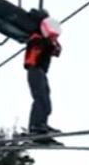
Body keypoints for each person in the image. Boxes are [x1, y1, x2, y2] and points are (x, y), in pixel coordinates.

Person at [24, 10, 63, 145]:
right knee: (40, 98)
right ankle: (36, 126)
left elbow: (57, 51)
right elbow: (34, 52)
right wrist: (49, 42)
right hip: (34, 70)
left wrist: (53, 43)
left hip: (40, 71)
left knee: (46, 100)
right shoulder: (37, 38)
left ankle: (42, 126)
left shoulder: (46, 41)